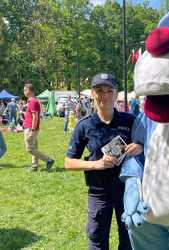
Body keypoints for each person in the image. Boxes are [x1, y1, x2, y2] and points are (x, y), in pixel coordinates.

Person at [64, 73, 141, 250]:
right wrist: (95, 164)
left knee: (130, 239)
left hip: (127, 191)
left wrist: (140, 147)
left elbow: (149, 143)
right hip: (99, 192)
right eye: (99, 91)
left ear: (115, 94)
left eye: (109, 90)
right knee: (97, 239)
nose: (104, 95)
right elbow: (68, 162)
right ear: (92, 94)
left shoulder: (130, 120)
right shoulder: (85, 125)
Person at [23, 83, 55, 172]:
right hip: (31, 127)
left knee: (29, 149)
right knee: (34, 148)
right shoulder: (32, 101)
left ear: (30, 91)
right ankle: (34, 166)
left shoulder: (33, 101)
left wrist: (32, 130)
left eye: (25, 90)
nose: (24, 92)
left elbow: (35, 117)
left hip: (31, 128)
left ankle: (48, 160)